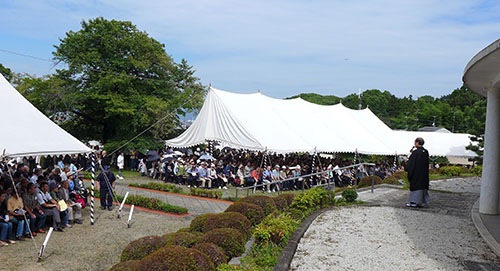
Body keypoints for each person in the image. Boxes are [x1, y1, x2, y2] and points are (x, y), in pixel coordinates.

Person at [405, 137, 430, 208]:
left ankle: (414, 202)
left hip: (416, 174)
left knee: (416, 188)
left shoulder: (416, 152)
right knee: (422, 188)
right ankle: (421, 202)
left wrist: (407, 168)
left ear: (417, 143)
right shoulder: (426, 152)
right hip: (423, 174)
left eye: (415, 142)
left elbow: (411, 164)